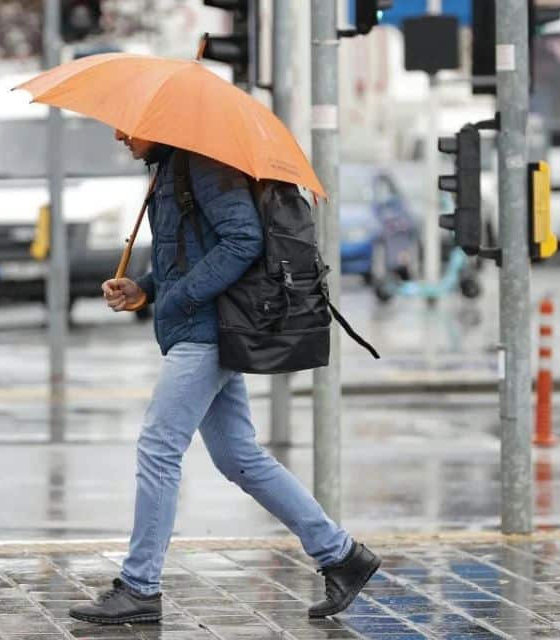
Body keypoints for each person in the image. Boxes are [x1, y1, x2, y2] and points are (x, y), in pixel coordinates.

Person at [68, 132, 379, 626]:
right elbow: (190, 253)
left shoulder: (202, 165)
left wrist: (183, 297)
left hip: (205, 332)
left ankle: (139, 585)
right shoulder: (171, 170)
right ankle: (341, 556)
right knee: (238, 456)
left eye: (129, 127)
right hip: (198, 327)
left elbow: (243, 239)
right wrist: (144, 289)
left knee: (158, 446)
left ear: (162, 125)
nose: (120, 135)